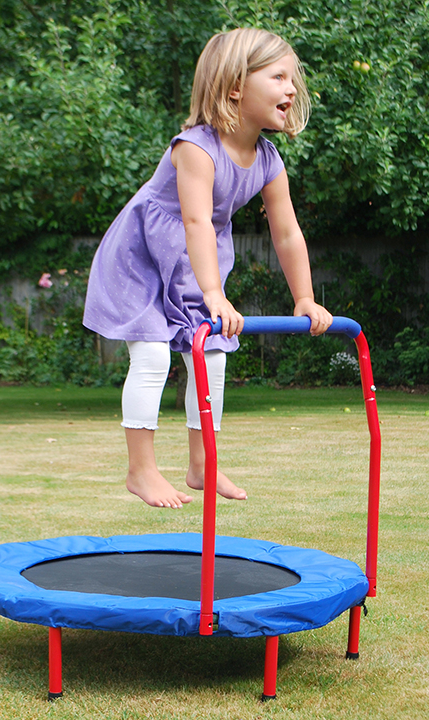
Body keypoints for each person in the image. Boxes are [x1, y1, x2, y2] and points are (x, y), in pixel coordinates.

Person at [83, 27, 332, 509]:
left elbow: (287, 233)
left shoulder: (267, 158)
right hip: (141, 259)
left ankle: (203, 465)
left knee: (212, 354)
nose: (291, 88)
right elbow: (195, 220)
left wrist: (304, 297)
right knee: (153, 356)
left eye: (293, 78)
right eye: (278, 76)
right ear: (236, 86)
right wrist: (214, 293)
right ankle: (141, 470)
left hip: (193, 263)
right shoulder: (195, 147)